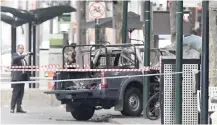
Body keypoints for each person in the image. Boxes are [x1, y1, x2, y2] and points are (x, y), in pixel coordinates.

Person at [10, 44, 31, 113]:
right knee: (15, 93)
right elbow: (15, 58)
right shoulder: (15, 55)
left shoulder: (23, 59)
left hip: (23, 77)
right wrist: (24, 55)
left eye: (23, 48)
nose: (22, 50)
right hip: (17, 78)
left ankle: (19, 108)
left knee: (21, 93)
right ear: (17, 49)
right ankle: (12, 108)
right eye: (21, 48)